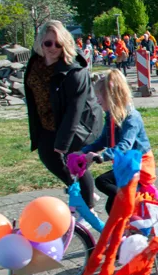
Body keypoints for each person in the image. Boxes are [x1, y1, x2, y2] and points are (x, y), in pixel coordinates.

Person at [25, 20, 103, 212]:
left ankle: (88, 207)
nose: (52, 48)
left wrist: (62, 144)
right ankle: (75, 188)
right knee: (47, 156)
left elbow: (74, 111)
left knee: (74, 160)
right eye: (48, 43)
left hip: (80, 123)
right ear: (40, 43)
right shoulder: (35, 63)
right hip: (48, 121)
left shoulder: (74, 71)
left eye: (58, 44)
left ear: (65, 44)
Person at [81, 69, 156, 214]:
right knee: (111, 208)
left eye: (99, 97)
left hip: (140, 166)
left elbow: (125, 145)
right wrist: (82, 152)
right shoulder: (111, 116)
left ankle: (132, 204)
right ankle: (126, 229)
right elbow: (103, 140)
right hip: (126, 165)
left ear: (111, 96)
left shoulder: (131, 117)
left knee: (102, 182)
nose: (97, 101)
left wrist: (102, 156)